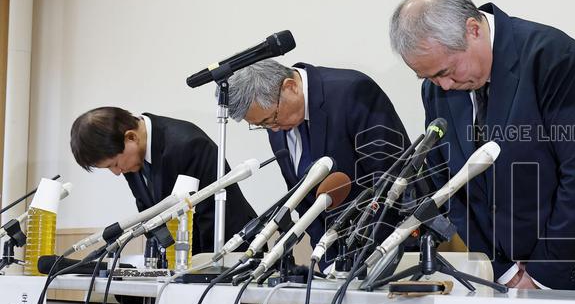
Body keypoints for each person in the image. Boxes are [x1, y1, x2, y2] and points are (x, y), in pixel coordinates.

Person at [390, 0, 575, 290]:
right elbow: (450, 186)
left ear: (473, 29)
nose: (445, 85)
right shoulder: (436, 90)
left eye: (447, 70)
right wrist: (503, 270)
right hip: (505, 277)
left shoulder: (549, 55)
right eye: (430, 77)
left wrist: (543, 275)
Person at [227, 59, 409, 247]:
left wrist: (371, 256)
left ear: (290, 87)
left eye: (270, 119)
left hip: (388, 244)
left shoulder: (352, 92)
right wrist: (325, 258)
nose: (272, 129)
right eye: (261, 125)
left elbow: (391, 178)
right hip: (331, 257)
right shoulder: (277, 123)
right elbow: (304, 201)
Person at [70, 107, 258, 256]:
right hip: (182, 263)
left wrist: (192, 273)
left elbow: (211, 217)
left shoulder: (187, 144)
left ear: (131, 137)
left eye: (115, 164)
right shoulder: (133, 157)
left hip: (230, 252)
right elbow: (150, 215)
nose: (117, 173)